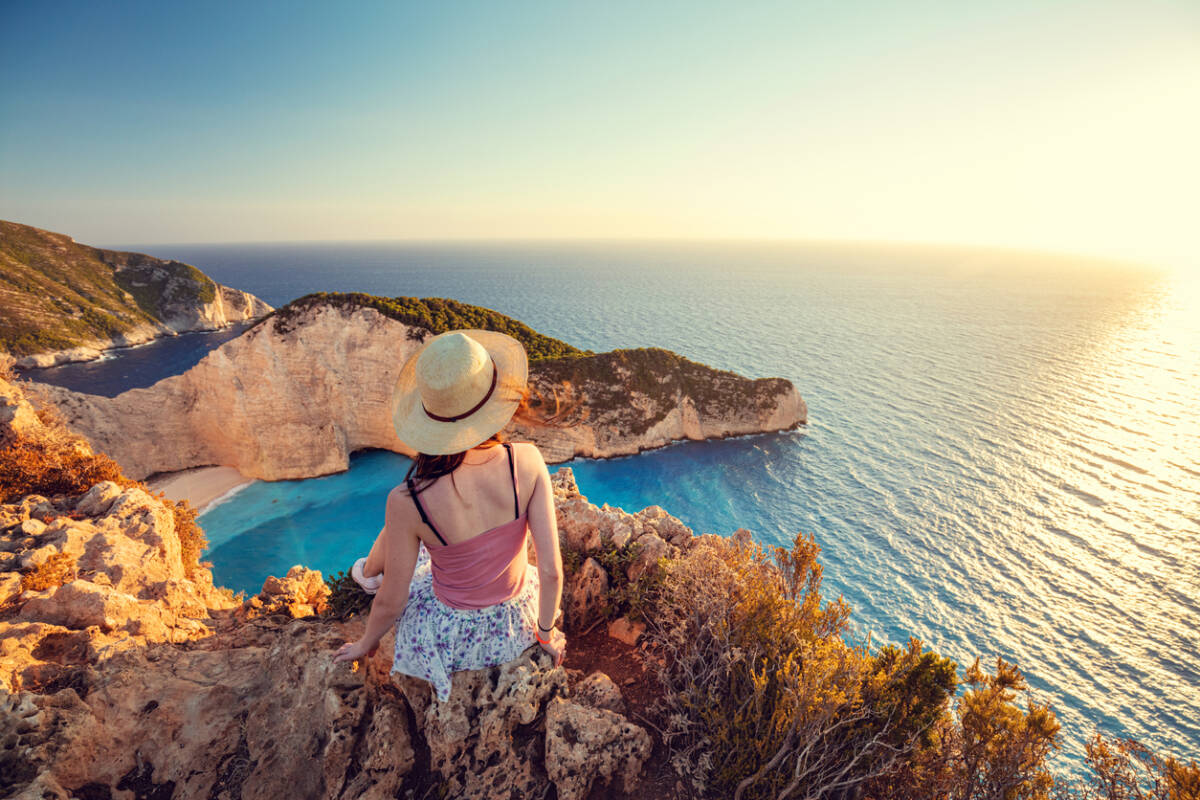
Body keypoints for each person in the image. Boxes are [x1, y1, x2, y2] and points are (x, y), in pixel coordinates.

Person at [332, 329, 566, 702]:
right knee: (409, 532)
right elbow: (552, 570)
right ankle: (368, 571)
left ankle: (367, 572)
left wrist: (366, 642)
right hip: (513, 622)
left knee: (404, 532)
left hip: (452, 636)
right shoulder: (527, 459)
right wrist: (544, 634)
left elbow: (393, 602)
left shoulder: (408, 499)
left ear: (430, 418)